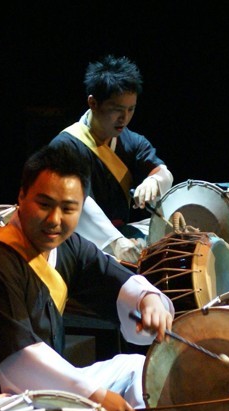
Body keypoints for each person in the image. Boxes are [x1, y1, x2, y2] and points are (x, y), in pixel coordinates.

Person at [0, 143, 174, 411]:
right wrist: (92, 393)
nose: (55, 220)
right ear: (21, 196)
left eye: (68, 208)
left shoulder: (70, 247)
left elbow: (117, 280)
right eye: (44, 205)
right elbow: (18, 360)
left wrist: (148, 300)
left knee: (137, 371)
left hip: (52, 386)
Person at [49, 54, 174, 264]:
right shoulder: (65, 146)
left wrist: (155, 180)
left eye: (131, 109)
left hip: (121, 235)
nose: (124, 118)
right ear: (93, 103)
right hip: (78, 244)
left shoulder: (132, 141)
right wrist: (115, 241)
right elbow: (78, 202)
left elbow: (161, 170)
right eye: (117, 110)